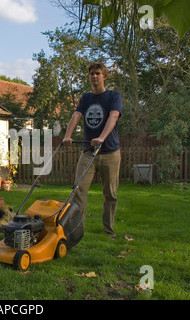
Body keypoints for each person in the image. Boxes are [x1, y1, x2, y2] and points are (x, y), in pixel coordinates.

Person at [62, 61, 122, 239]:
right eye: (91, 74)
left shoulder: (113, 96)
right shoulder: (86, 98)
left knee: (110, 193)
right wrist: (67, 135)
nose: (94, 77)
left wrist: (102, 138)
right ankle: (77, 230)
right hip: (89, 152)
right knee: (78, 189)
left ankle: (109, 229)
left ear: (104, 76)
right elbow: (76, 116)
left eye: (98, 73)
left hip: (110, 152)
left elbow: (113, 116)